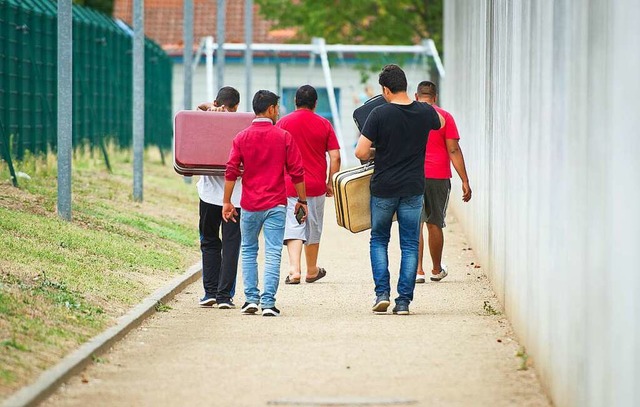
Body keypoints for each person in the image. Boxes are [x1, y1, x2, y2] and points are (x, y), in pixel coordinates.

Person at [354, 64, 444, 315]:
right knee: (410, 244)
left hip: (384, 187)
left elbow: (361, 152)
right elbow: (441, 121)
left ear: (385, 89)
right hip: (413, 187)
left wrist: (379, 151)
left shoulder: (379, 114)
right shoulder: (424, 111)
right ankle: (403, 301)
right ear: (405, 86)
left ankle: (382, 293)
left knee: (379, 239)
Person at [223, 90, 307, 317]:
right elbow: (297, 172)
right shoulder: (283, 137)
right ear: (270, 109)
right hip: (276, 206)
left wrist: (226, 201)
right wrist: (302, 200)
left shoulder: (241, 137)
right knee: (272, 253)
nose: (278, 112)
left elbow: (231, 171)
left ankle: (250, 299)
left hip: (249, 205)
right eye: (277, 108)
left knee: (249, 251)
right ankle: (268, 302)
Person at [277, 85, 341, 285]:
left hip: (289, 186)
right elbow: (335, 156)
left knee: (294, 224)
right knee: (313, 226)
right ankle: (312, 270)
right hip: (315, 186)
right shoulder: (324, 124)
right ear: (315, 103)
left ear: (295, 102)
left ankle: (294, 270)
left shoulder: (282, 123)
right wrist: (331, 182)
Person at [414, 81, 472, 284]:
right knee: (434, 223)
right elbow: (453, 150)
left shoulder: (408, 115)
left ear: (416, 96)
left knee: (415, 224)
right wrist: (465, 180)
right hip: (438, 176)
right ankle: (436, 269)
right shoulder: (445, 117)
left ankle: (418, 271)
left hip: (412, 176)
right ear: (435, 97)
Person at [195, 86, 242, 309]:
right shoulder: (243, 125)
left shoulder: (205, 121)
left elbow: (198, 108)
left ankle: (210, 292)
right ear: (237, 107)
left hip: (208, 196)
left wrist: (211, 109)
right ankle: (225, 296)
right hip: (236, 198)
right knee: (231, 245)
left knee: (209, 242)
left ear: (217, 102)